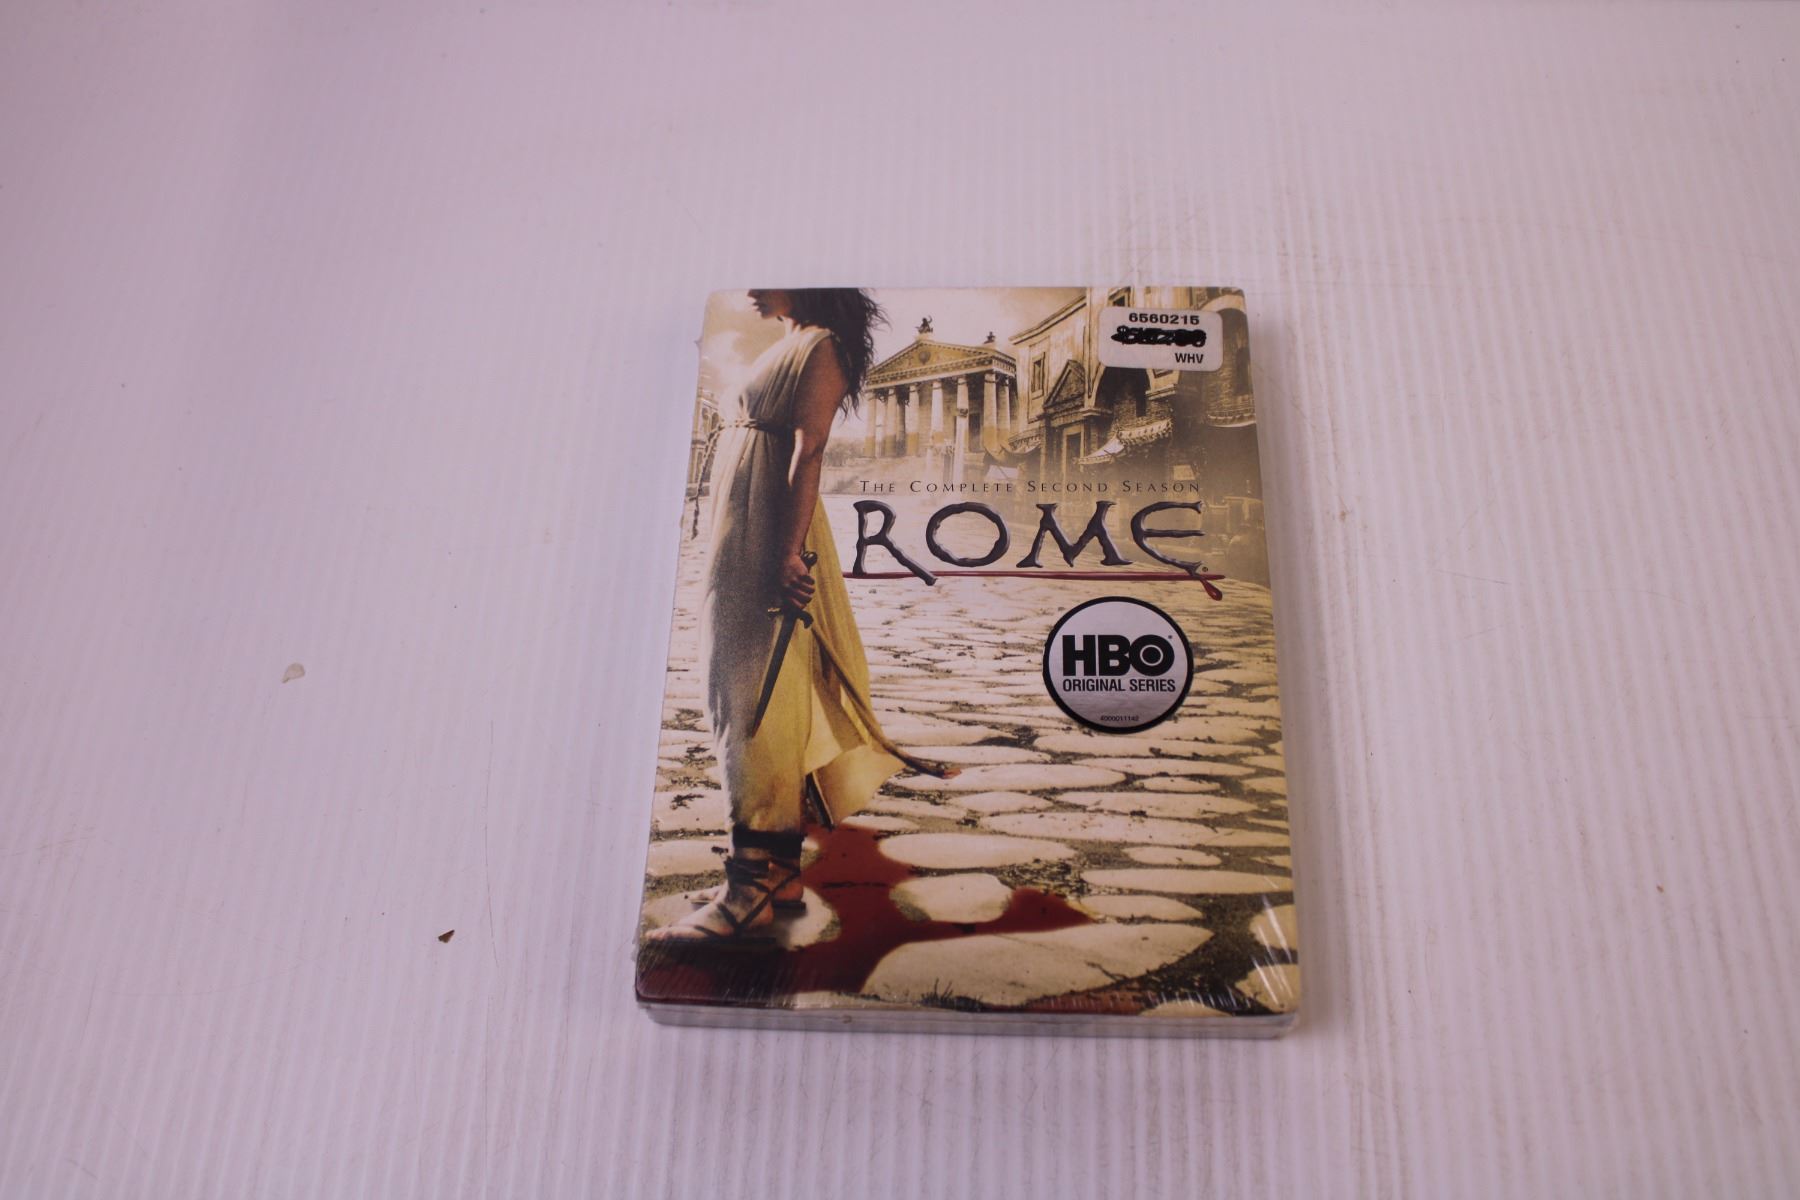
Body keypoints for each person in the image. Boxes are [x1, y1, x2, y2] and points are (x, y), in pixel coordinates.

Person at [646, 289, 950, 947]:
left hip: (766, 532)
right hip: (740, 528)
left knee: (751, 689)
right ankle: (778, 876)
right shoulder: (789, 342)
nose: (751, 288)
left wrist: (788, 550)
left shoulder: (821, 347)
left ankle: (749, 887)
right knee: (742, 681)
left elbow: (809, 451)